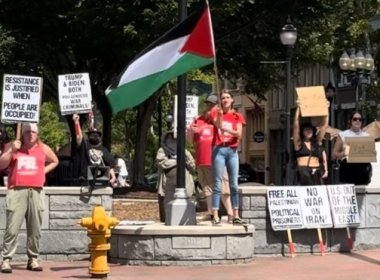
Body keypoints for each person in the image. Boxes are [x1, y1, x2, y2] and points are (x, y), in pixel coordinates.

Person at [0, 123, 59, 273]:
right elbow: (1, 164)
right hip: (17, 190)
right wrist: (12, 150)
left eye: (33, 131)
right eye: (27, 131)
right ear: (22, 133)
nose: (30, 134)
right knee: (12, 228)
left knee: (35, 229)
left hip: (36, 191)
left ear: (37, 133)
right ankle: (6, 259)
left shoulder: (43, 148)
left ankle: (33, 258)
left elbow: (55, 161)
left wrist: (42, 171)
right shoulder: (12, 146)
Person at [187, 94, 233, 220]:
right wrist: (191, 132)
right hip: (202, 160)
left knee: (223, 187)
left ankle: (230, 213)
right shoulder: (199, 120)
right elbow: (191, 141)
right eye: (208, 104)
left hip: (217, 158)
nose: (209, 107)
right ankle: (212, 213)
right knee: (207, 188)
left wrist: (216, 117)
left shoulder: (221, 120)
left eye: (212, 105)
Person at [208, 89, 246, 225]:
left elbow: (239, 134)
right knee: (217, 183)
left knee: (234, 184)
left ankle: (236, 214)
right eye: (222, 98)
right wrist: (219, 117)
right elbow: (217, 124)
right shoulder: (216, 113)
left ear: (232, 100)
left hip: (232, 150)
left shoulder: (237, 116)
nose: (225, 100)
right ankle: (216, 214)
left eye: (227, 97)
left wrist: (227, 129)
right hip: (219, 149)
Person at [156, 130, 196, 223]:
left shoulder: (185, 151)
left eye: (175, 139)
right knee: (167, 200)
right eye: (170, 139)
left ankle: (183, 219)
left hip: (184, 180)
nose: (173, 141)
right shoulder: (162, 151)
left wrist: (184, 157)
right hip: (167, 181)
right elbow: (162, 163)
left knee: (185, 199)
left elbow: (193, 166)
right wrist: (178, 161)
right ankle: (166, 219)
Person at [72, 114, 116, 186]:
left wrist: (113, 177)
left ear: (100, 138)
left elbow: (109, 164)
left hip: (101, 181)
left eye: (96, 134)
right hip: (86, 181)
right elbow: (79, 136)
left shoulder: (104, 150)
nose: (94, 136)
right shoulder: (85, 146)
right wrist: (76, 123)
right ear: (88, 137)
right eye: (91, 134)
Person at [293, 100, 328, 185]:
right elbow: (296, 125)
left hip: (316, 171)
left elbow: (324, 126)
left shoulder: (316, 143)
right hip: (303, 172)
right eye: (306, 130)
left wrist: (326, 109)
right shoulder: (299, 144)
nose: (309, 131)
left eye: (310, 129)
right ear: (302, 132)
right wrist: (298, 108)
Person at [333, 111, 372, 185]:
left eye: (360, 119)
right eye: (355, 119)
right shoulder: (343, 134)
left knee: (361, 193)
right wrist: (342, 154)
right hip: (348, 167)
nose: (357, 121)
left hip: (362, 168)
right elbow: (334, 154)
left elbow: (371, 154)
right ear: (350, 121)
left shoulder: (367, 136)